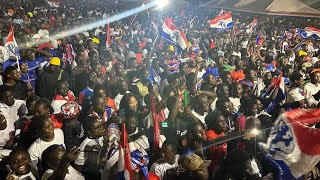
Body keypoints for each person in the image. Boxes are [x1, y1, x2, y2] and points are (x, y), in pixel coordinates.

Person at [74, 115, 104, 179]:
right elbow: (78, 169)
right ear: (89, 131)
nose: (101, 129)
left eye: (101, 126)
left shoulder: (101, 137)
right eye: (97, 128)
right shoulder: (84, 146)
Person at [205, 110, 228, 178]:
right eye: (221, 122)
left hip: (221, 165)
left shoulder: (221, 132)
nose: (224, 123)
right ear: (213, 124)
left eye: (224, 121)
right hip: (213, 169)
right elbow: (216, 142)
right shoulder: (210, 134)